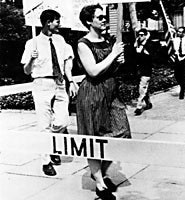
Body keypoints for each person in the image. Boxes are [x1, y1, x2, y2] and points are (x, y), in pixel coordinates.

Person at [76, 4, 131, 200]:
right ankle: (100, 183)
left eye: (104, 16)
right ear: (89, 21)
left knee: (121, 132)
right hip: (92, 93)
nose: (104, 19)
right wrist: (113, 55)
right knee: (94, 139)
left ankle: (98, 171)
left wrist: (118, 62)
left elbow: (109, 69)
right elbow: (93, 71)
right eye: (100, 17)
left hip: (111, 93)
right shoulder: (83, 43)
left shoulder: (107, 40)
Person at [21, 9, 78, 176]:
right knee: (43, 125)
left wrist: (71, 81)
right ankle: (46, 161)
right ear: (48, 22)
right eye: (57, 21)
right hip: (41, 83)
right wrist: (31, 58)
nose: (59, 24)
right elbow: (26, 70)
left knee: (63, 122)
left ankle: (51, 143)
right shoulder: (32, 43)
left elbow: (67, 62)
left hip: (59, 83)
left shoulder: (60, 41)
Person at [134, 28, 153, 116]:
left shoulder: (149, 44)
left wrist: (142, 48)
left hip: (146, 70)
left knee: (142, 88)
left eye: (142, 35)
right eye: (139, 35)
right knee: (144, 88)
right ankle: (148, 103)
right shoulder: (136, 45)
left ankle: (139, 107)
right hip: (138, 71)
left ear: (146, 35)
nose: (140, 37)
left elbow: (150, 57)